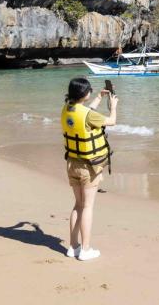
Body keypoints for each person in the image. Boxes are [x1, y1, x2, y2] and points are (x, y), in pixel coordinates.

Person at [61, 77, 118, 261]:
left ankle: (73, 246)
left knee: (78, 205)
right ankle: (85, 249)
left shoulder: (67, 108)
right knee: (88, 206)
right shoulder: (88, 115)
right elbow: (111, 121)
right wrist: (114, 105)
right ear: (84, 94)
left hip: (72, 163)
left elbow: (85, 114)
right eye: (90, 91)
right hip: (89, 166)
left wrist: (100, 98)